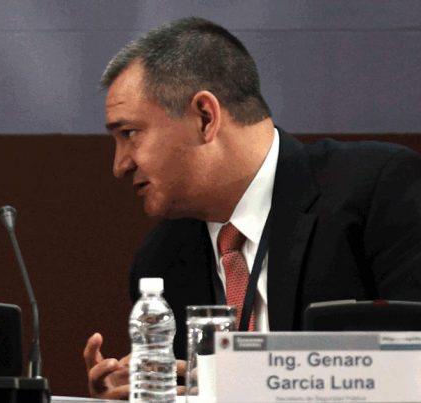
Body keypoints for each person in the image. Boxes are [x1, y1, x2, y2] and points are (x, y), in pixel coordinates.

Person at [84, 17, 421, 399]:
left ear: (205, 117)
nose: (119, 165)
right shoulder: (160, 260)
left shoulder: (377, 191)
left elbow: (410, 367)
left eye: (130, 133)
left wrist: (246, 380)